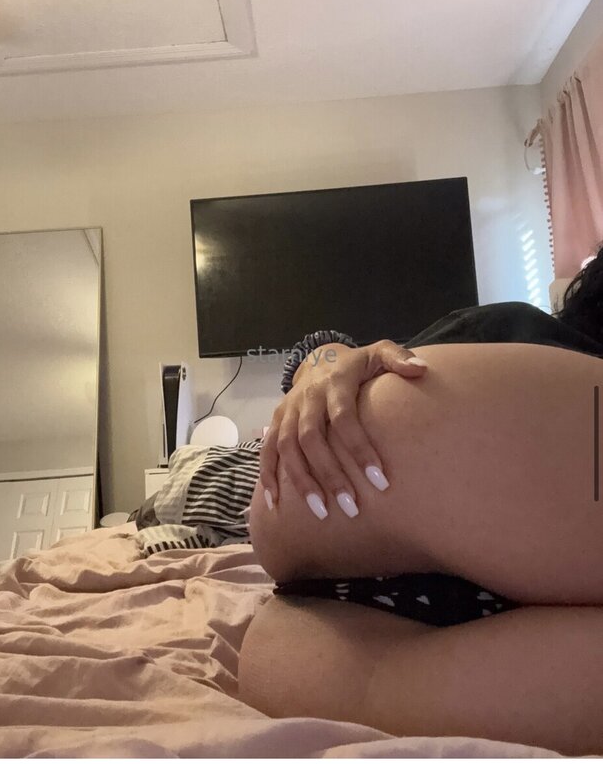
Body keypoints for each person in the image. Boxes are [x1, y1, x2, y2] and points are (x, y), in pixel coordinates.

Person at [238, 247, 603, 754]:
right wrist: (322, 361)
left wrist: (322, 363)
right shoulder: (518, 338)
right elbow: (326, 353)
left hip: (305, 638)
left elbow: (326, 355)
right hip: (327, 630)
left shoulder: (500, 338)